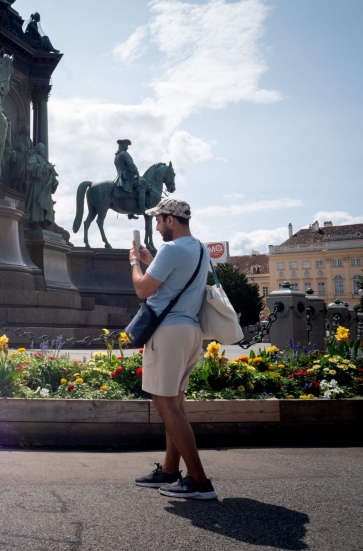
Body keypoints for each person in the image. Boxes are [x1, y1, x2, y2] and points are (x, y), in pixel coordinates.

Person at [127, 197, 216, 500]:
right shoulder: (200, 249)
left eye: (158, 219)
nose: (156, 225)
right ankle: (168, 470)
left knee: (165, 406)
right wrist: (153, 262)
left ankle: (199, 480)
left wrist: (134, 263)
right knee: (175, 405)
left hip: (168, 332)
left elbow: (142, 289)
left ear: (171, 220)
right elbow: (176, 282)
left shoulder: (172, 248)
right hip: (191, 331)